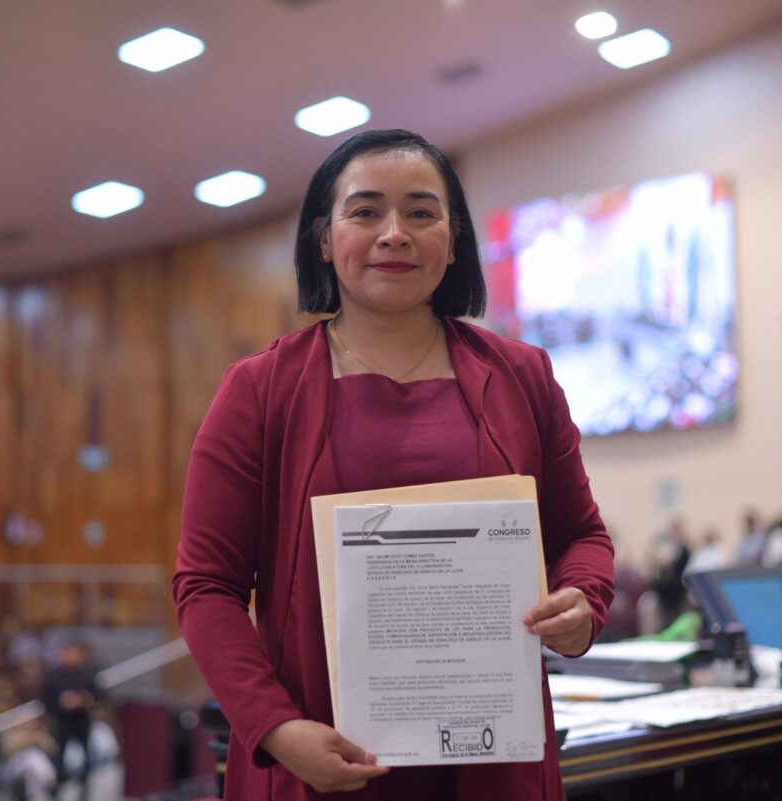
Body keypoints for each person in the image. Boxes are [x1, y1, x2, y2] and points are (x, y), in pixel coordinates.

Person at [173, 129, 615, 801]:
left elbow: (581, 535)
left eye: (420, 212)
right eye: (365, 211)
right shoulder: (258, 391)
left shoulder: (523, 376)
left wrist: (583, 602)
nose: (394, 234)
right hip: (318, 760)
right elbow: (207, 586)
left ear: (454, 239)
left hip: (493, 759)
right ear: (325, 239)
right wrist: (278, 727)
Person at [41, 641, 102, 796]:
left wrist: (84, 699)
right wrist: (62, 702)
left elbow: (99, 695)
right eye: (69, 653)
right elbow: (46, 699)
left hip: (82, 722)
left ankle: (85, 794)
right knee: (59, 760)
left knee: (86, 759)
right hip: (62, 723)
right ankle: (57, 793)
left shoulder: (88, 674)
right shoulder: (54, 675)